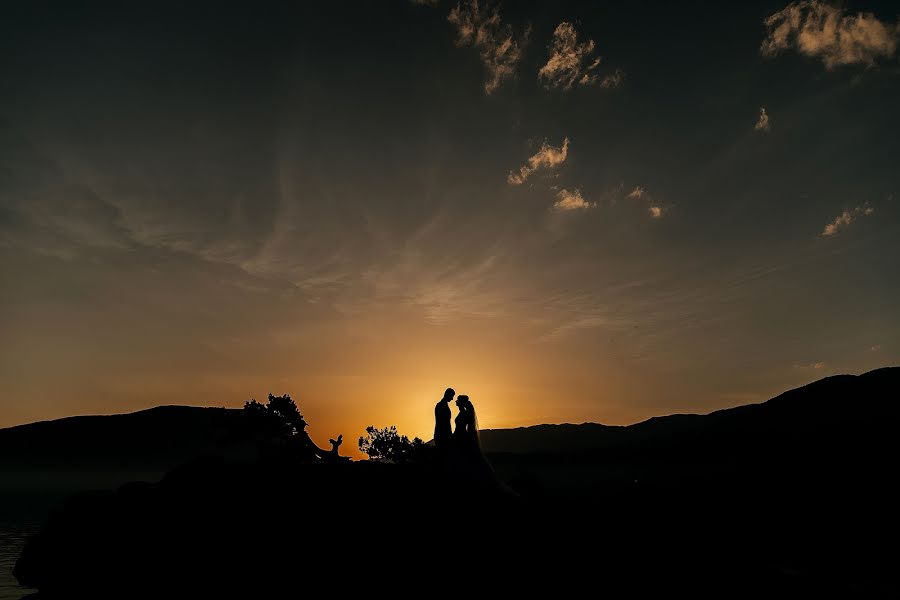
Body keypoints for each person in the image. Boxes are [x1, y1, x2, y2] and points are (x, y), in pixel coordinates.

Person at [434, 388, 455, 452]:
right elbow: (443, 422)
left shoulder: (442, 405)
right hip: (442, 435)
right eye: (452, 396)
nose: (452, 399)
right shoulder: (441, 405)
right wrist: (449, 435)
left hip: (443, 435)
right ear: (447, 394)